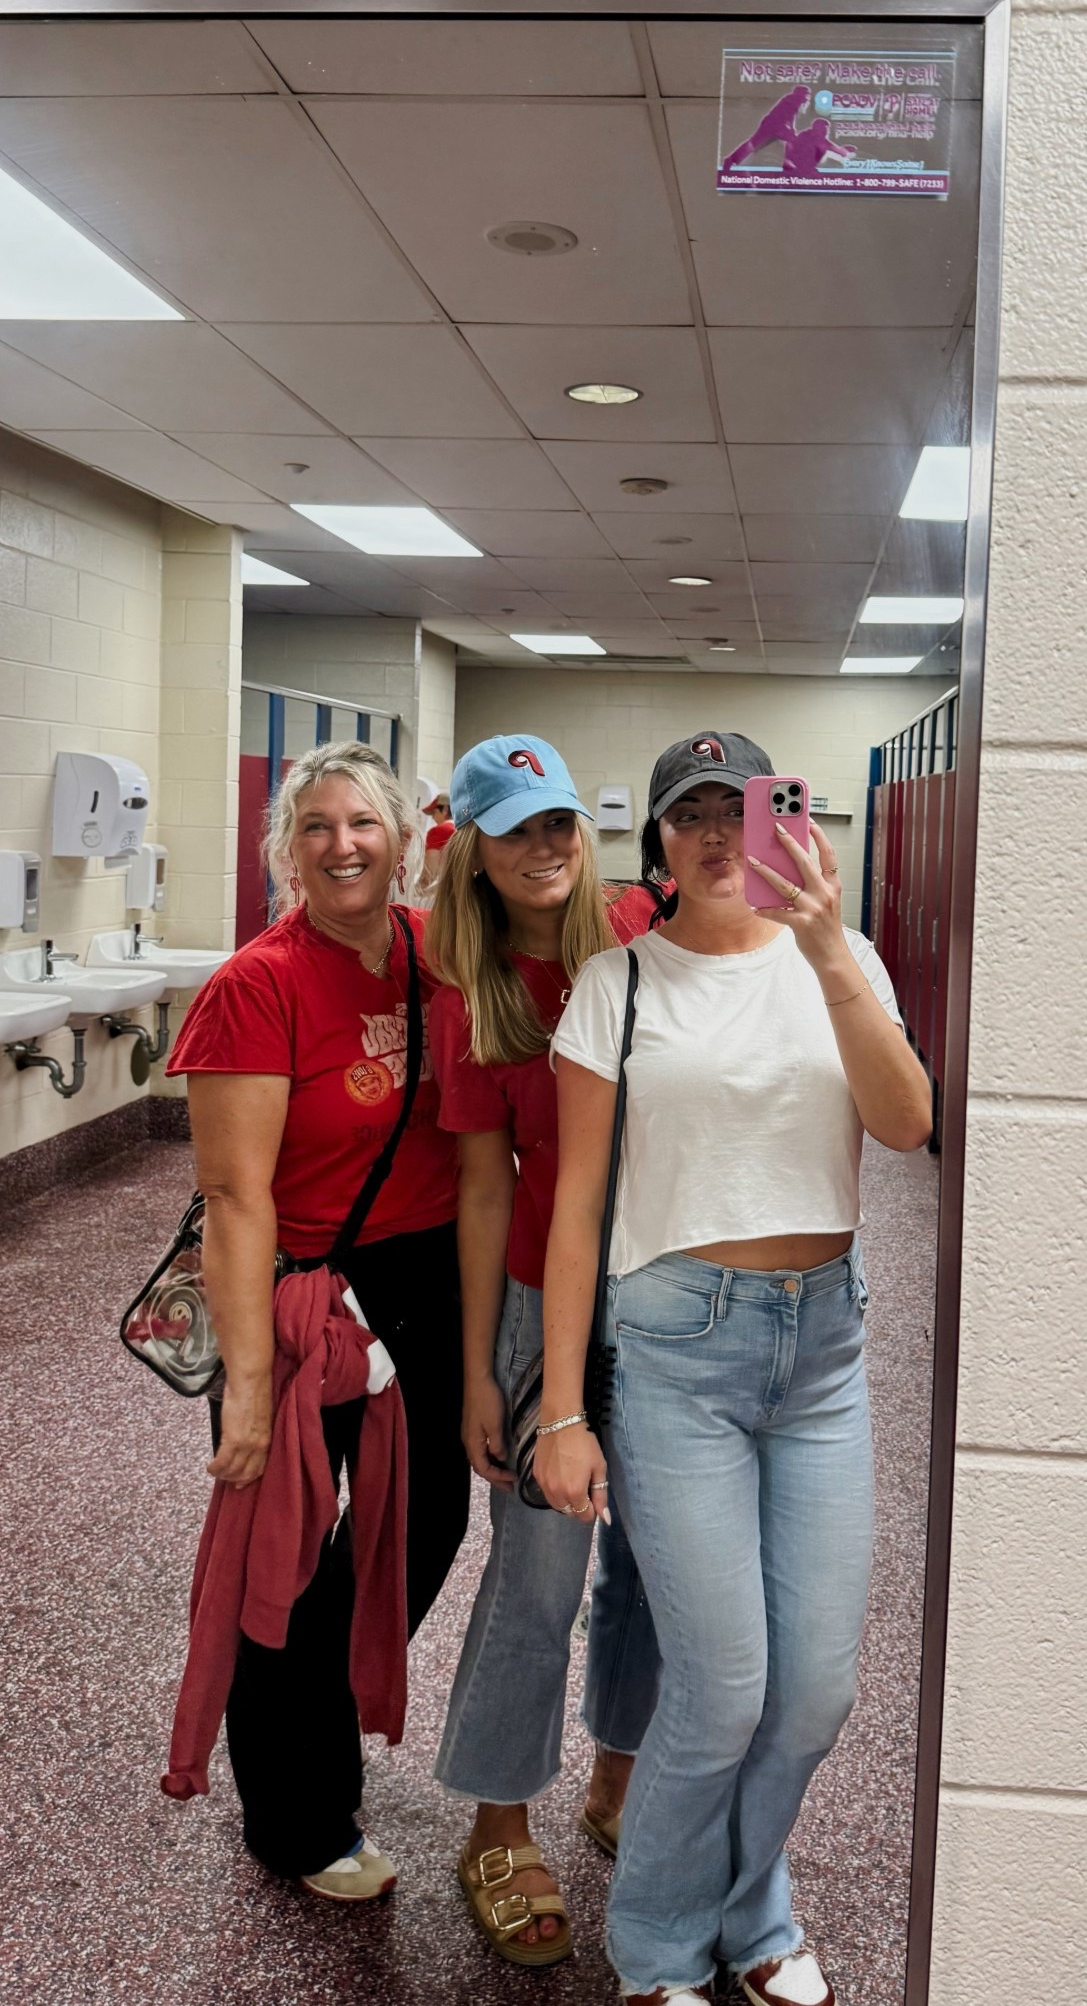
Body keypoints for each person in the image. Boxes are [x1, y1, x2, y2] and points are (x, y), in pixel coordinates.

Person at [535, 731, 933, 2006]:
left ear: (789, 822)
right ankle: (658, 1945)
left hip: (821, 1347)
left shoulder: (845, 957)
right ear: (655, 841)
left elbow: (907, 1120)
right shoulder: (618, 983)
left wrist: (826, 950)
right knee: (721, 1686)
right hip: (673, 1349)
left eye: (743, 807)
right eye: (688, 813)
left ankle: (753, 1909)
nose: (717, 833)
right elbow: (577, 1205)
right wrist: (560, 1408)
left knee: (814, 1687)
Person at [165, 739, 463, 1902]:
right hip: (300, 1294)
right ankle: (293, 1814)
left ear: (404, 838)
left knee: (423, 1522)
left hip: (425, 1282)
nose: (344, 843)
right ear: (287, 848)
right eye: (318, 825)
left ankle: (317, 1723)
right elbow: (237, 1197)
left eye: (364, 823)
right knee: (284, 1556)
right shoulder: (258, 983)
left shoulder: (435, 955)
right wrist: (245, 1380)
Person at [423, 733, 660, 1968]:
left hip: (671, 1298)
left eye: (560, 820)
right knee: (539, 1574)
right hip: (533, 1300)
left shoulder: (634, 929)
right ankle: (498, 1823)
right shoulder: (473, 993)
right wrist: (479, 1368)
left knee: (665, 1567)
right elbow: (480, 1186)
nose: (545, 846)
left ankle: (618, 1781)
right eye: (517, 827)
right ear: (475, 845)